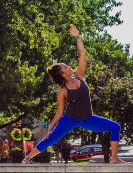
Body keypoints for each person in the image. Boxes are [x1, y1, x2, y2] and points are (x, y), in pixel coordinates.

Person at [22, 24, 125, 164]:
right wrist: (49, 129)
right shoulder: (63, 91)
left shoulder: (80, 77)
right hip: (69, 119)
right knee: (50, 139)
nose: (69, 66)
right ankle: (27, 158)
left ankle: (114, 159)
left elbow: (82, 53)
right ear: (63, 74)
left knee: (115, 127)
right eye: (65, 66)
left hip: (88, 118)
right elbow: (59, 113)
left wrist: (77, 36)